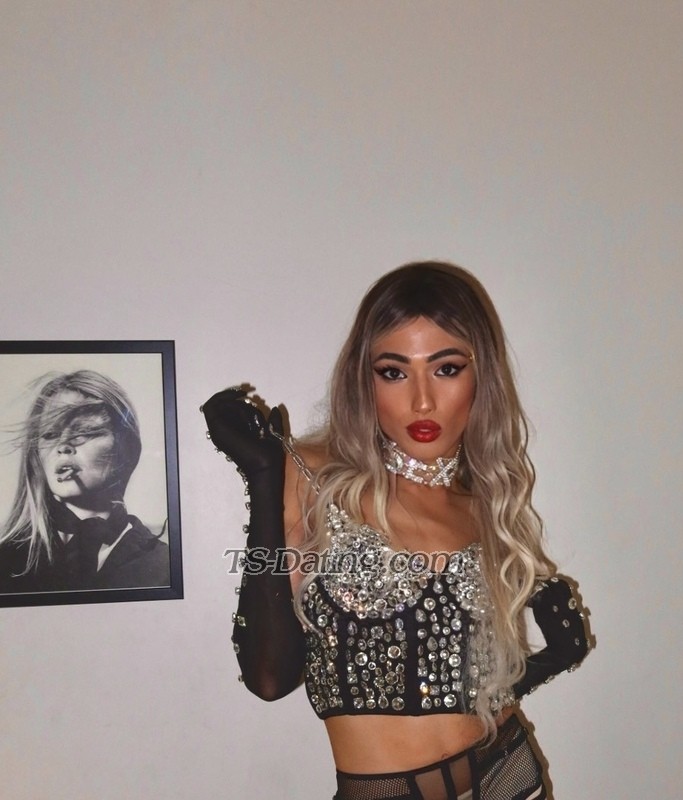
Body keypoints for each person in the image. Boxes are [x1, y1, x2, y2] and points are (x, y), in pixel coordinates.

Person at [202, 262, 590, 800]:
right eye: (394, 372)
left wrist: (546, 659)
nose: (422, 400)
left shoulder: (482, 500)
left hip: (507, 777)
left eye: (447, 368)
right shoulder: (311, 477)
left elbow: (463, 686)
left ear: (481, 377)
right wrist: (264, 479)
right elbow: (269, 678)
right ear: (364, 380)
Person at [0, 370, 170, 594]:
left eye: (85, 432)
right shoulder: (6, 560)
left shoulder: (165, 565)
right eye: (49, 435)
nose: (63, 445)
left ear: (126, 448)